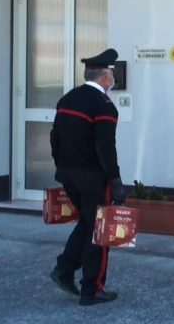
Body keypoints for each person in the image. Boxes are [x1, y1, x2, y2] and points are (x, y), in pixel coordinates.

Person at [49, 48, 127, 306]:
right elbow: (105, 147)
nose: (113, 80)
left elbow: (55, 138)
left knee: (87, 223)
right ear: (105, 77)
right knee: (100, 231)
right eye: (112, 75)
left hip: (68, 174)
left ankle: (64, 268)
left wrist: (61, 167)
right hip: (93, 177)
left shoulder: (67, 99)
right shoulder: (103, 105)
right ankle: (92, 289)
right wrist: (115, 180)